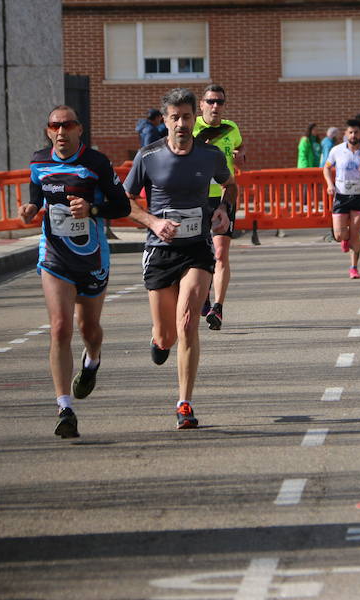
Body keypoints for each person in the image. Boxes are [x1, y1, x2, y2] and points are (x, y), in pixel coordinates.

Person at [123, 88, 236, 430]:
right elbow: (126, 200)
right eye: (175, 117)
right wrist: (154, 222)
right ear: (166, 121)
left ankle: (184, 402)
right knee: (167, 336)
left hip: (196, 248)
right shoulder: (148, 156)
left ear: (194, 117)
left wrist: (223, 210)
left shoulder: (210, 155)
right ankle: (159, 340)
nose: (182, 123)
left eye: (187, 116)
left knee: (188, 320)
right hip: (160, 251)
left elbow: (230, 185)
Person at [20, 105, 131, 438]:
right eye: (55, 126)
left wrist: (93, 208)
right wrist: (30, 209)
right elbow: (37, 196)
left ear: (79, 129)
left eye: (67, 125)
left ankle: (92, 361)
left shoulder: (95, 163)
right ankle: (65, 407)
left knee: (90, 329)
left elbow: (123, 206)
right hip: (55, 255)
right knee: (59, 328)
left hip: (92, 256)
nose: (61, 131)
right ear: (48, 131)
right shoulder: (39, 161)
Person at [193, 83, 245, 330]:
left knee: (221, 253)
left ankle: (218, 307)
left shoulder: (231, 128)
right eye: (211, 101)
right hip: (196, 197)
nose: (215, 106)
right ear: (201, 104)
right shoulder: (191, 128)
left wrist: (238, 152)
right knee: (201, 253)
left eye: (220, 102)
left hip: (225, 195)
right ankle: (203, 295)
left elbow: (240, 145)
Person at [323, 119, 360, 279]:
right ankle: (343, 239)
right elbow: (327, 167)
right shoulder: (336, 150)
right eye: (350, 132)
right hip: (341, 196)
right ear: (346, 134)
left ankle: (354, 268)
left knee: (355, 234)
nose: (353, 135)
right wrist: (330, 184)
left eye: (356, 132)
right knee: (340, 235)